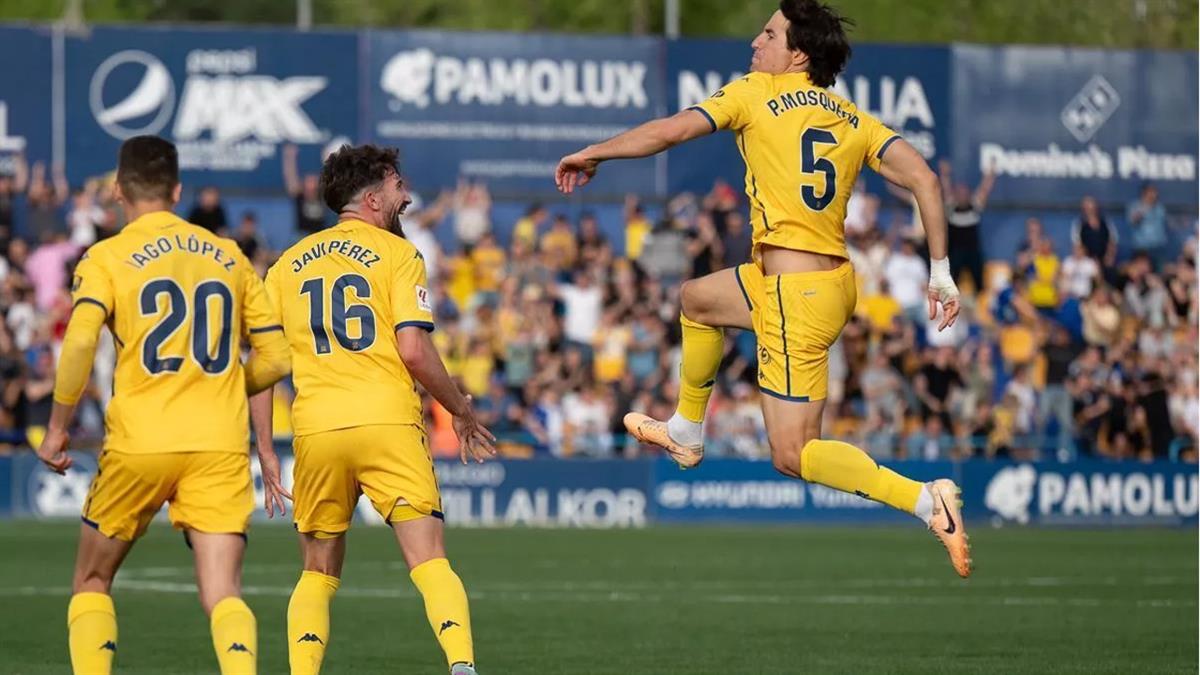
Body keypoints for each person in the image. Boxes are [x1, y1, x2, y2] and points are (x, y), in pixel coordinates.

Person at [555, 0, 970, 577]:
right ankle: (685, 430)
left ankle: (926, 501)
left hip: (791, 294)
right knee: (696, 300)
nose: (756, 41)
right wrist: (940, 272)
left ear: (797, 53)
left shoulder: (755, 91)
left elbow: (672, 130)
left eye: (770, 33)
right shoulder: (852, 118)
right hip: (821, 283)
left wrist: (595, 152)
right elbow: (925, 178)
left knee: (793, 455)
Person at [35, 135, 291, 675]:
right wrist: (221, 386)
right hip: (218, 444)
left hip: (140, 441)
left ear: (118, 190)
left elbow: (80, 342)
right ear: (177, 190)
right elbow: (275, 356)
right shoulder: (229, 255)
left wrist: (57, 428)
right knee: (223, 594)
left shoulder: (105, 256)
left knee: (92, 581)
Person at [251, 144, 495, 675]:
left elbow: (262, 365)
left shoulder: (285, 266)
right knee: (429, 561)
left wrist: (267, 449)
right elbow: (412, 349)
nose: (406, 195)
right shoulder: (399, 254)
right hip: (387, 421)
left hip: (317, 430)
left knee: (316, 573)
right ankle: (461, 667)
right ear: (373, 196)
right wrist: (460, 409)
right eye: (398, 185)